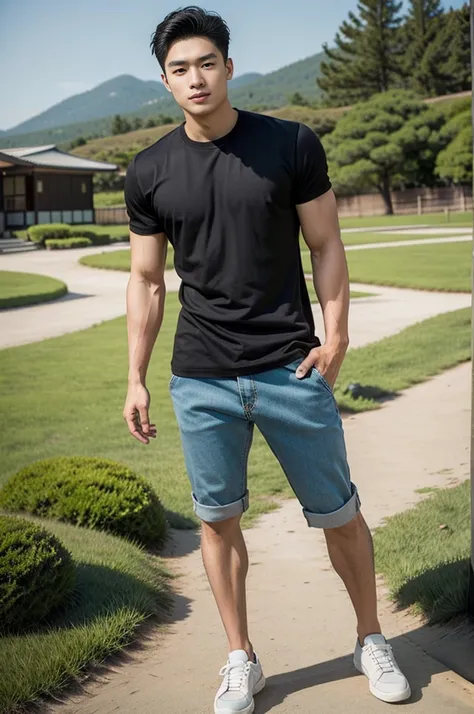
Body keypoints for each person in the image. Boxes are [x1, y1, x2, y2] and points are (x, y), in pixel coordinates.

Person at [123, 6, 411, 713]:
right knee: (218, 521)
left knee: (339, 514)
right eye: (180, 68)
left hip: (290, 366)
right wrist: (134, 376)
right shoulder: (150, 169)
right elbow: (147, 280)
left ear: (228, 66)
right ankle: (239, 658)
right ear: (165, 80)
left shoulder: (290, 144)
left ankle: (370, 638)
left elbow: (327, 245)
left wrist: (337, 334)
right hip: (200, 376)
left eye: (207, 63)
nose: (196, 77)